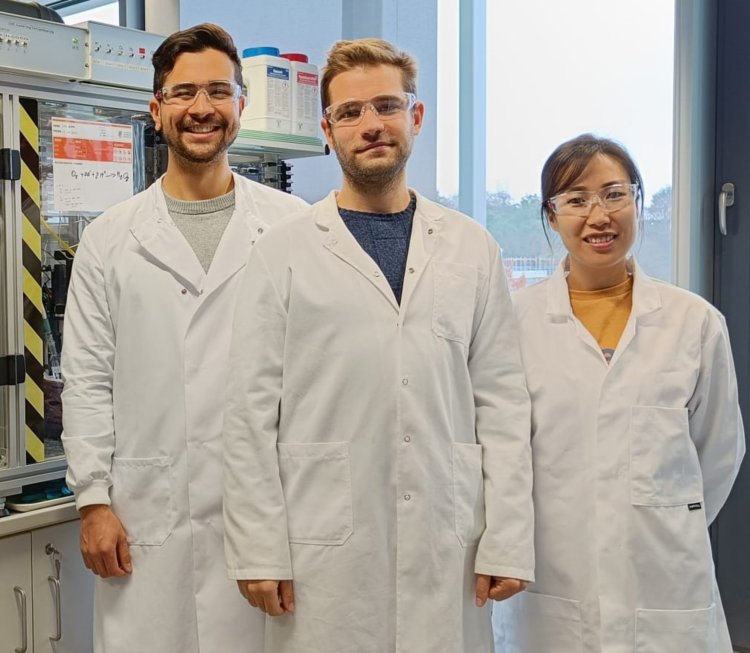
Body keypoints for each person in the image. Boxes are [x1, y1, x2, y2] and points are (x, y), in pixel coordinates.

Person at [222, 38, 534, 652]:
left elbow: (502, 402)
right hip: (323, 543)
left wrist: (509, 536)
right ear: (328, 130)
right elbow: (249, 414)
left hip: (448, 540)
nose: (371, 125)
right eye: (351, 112)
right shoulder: (282, 253)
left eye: (387, 107)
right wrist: (259, 546)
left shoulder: (472, 249)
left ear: (415, 118)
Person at [61, 23, 308, 653]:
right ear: (156, 109)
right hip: (147, 515)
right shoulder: (110, 238)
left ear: (241, 106)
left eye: (219, 92)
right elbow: (87, 376)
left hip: (268, 520)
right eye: (183, 93)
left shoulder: (295, 229)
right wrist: (93, 500)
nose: (202, 109)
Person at [492, 133, 746, 653]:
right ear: (551, 214)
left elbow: (718, 452)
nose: (598, 216)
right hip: (555, 579)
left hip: (664, 576)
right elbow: (502, 451)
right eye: (576, 200)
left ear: (638, 201)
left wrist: (660, 513)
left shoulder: (693, 323)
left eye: (614, 194)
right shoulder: (514, 324)